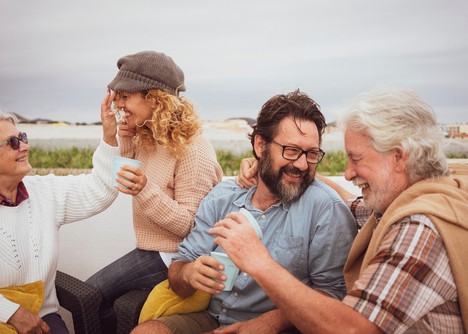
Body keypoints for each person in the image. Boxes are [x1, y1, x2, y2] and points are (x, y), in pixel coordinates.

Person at [214, 87, 468, 333]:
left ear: (399, 157)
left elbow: (351, 328)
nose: (348, 173)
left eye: (356, 158)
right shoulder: (413, 202)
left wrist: (258, 261)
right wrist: (280, 167)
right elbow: (351, 202)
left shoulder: (419, 228)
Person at [133, 89, 358, 334]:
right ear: (261, 145)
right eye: (291, 150)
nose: (302, 164)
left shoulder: (326, 210)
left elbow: (333, 295)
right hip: (211, 317)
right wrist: (188, 273)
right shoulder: (222, 197)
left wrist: (271, 322)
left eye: (312, 154)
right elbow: (179, 270)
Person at [85, 50, 223, 333]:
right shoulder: (150, 134)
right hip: (151, 249)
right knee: (100, 300)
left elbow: (192, 226)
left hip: (173, 256)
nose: (119, 104)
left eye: (125, 96)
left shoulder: (193, 149)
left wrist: (145, 189)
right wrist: (116, 136)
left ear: (153, 97)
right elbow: (125, 178)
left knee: (88, 294)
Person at [0, 101, 121, 333]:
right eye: (12, 142)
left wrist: (110, 137)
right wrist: (9, 313)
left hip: (44, 320)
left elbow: (99, 191)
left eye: (23, 137)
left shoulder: (45, 192)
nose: (24, 147)